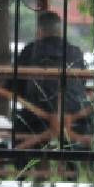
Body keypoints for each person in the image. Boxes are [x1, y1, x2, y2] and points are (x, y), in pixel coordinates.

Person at [14, 11, 87, 143]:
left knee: (20, 124)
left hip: (36, 117)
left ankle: (24, 161)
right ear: (60, 31)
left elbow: (15, 85)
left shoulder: (30, 50)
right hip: (73, 117)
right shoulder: (75, 52)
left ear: (40, 30)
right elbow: (82, 84)